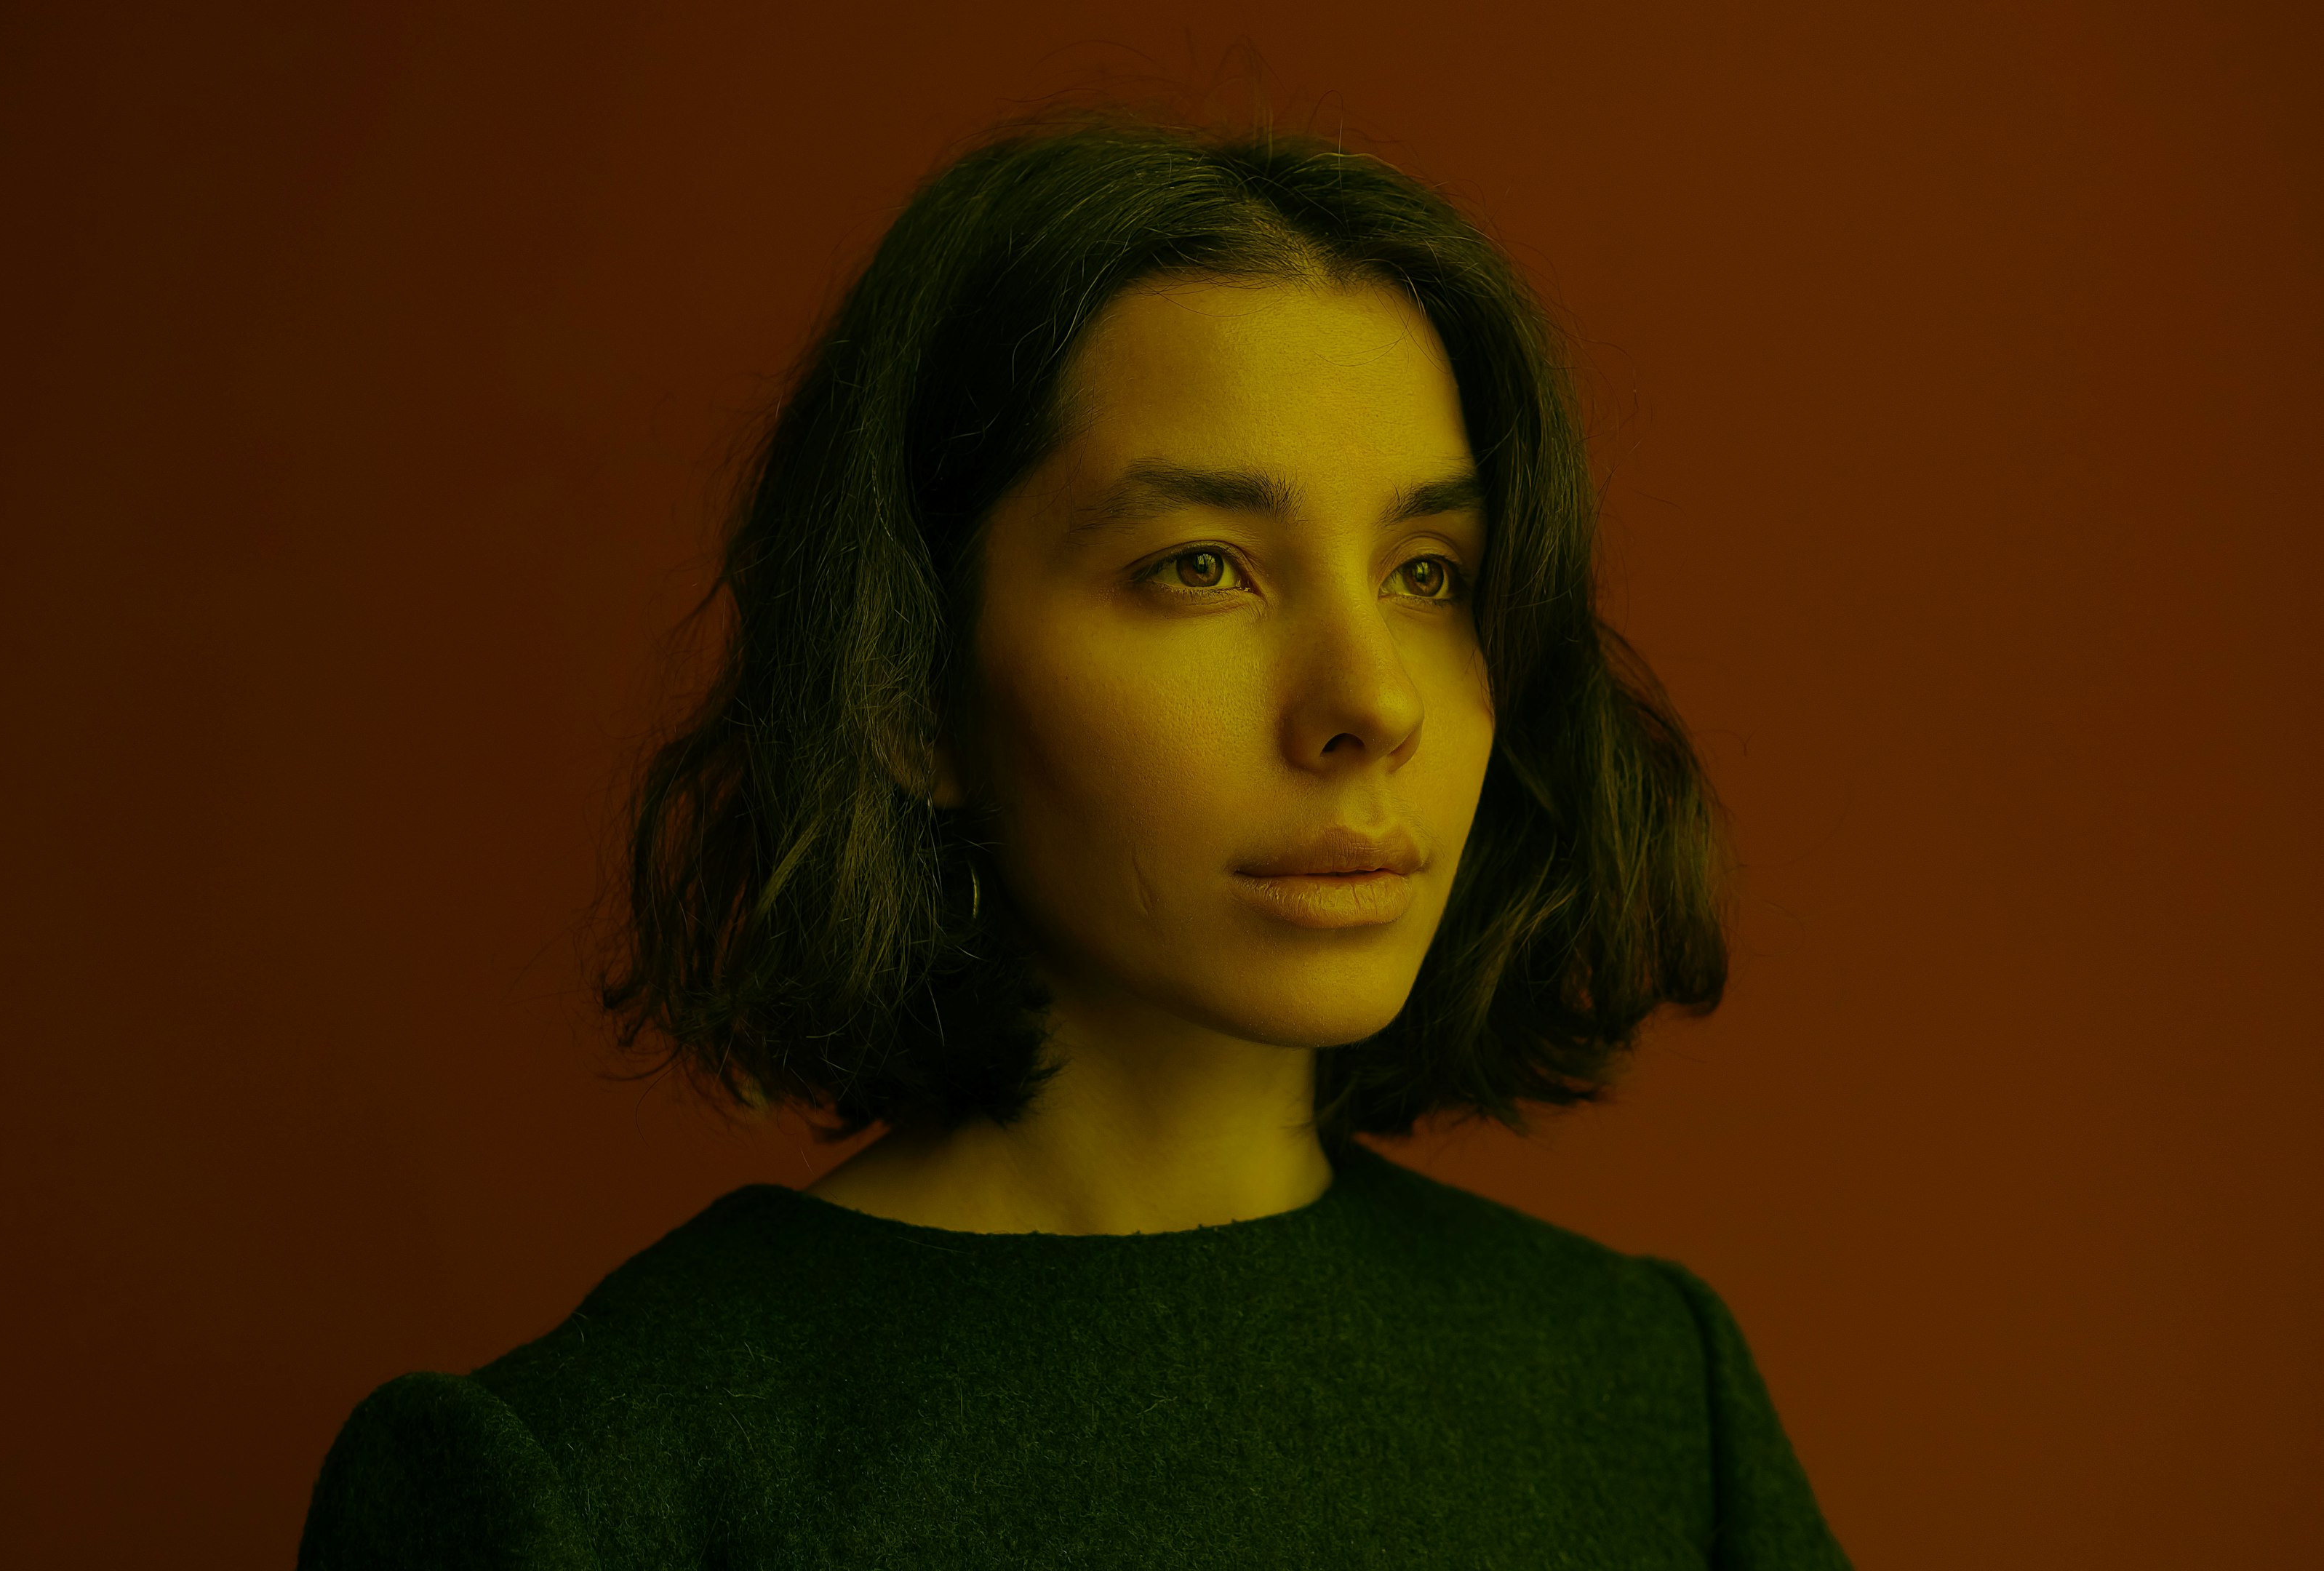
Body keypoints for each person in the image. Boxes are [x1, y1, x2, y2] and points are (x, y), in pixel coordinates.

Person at [297, 108, 1851, 1569]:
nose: (1373, 700)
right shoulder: (579, 1484)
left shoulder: (1646, 1391)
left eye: (1429, 573)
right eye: (1202, 566)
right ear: (908, 689)